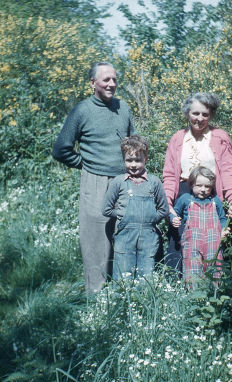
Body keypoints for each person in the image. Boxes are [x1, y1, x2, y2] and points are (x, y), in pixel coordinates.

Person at [52, 61, 136, 293]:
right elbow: (60, 149)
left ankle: (124, 290)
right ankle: (96, 297)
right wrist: (86, 165)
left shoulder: (124, 107)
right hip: (95, 181)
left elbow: (133, 143)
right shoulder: (82, 111)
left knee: (125, 234)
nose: (111, 84)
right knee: (96, 240)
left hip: (124, 181)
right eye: (106, 79)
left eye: (114, 79)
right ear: (93, 83)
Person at [163, 92, 232, 273]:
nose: (200, 118)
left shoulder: (220, 137)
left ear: (211, 115)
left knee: (212, 239)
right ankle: (174, 286)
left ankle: (210, 283)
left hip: (210, 194)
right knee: (180, 237)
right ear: (187, 113)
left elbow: (228, 170)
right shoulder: (177, 138)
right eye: (195, 113)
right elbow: (169, 175)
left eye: (205, 114)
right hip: (183, 194)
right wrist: (168, 204)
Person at [102, 135, 169, 284]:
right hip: (124, 236)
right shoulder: (119, 182)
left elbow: (164, 210)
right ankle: (121, 303)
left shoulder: (154, 182)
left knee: (146, 276)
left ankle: (143, 303)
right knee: (122, 276)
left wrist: (151, 219)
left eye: (137, 160)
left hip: (148, 236)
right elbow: (106, 209)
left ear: (146, 159)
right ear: (123, 160)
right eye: (129, 160)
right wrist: (121, 214)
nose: (133, 165)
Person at [170, 166, 230, 283]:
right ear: (191, 185)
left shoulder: (215, 200)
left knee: (214, 265)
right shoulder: (185, 198)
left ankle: (214, 293)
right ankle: (194, 294)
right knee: (192, 266)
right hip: (192, 240)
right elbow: (174, 212)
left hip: (213, 240)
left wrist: (224, 229)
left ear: (212, 187)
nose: (203, 189)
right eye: (199, 185)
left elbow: (222, 218)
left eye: (207, 186)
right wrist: (173, 219)